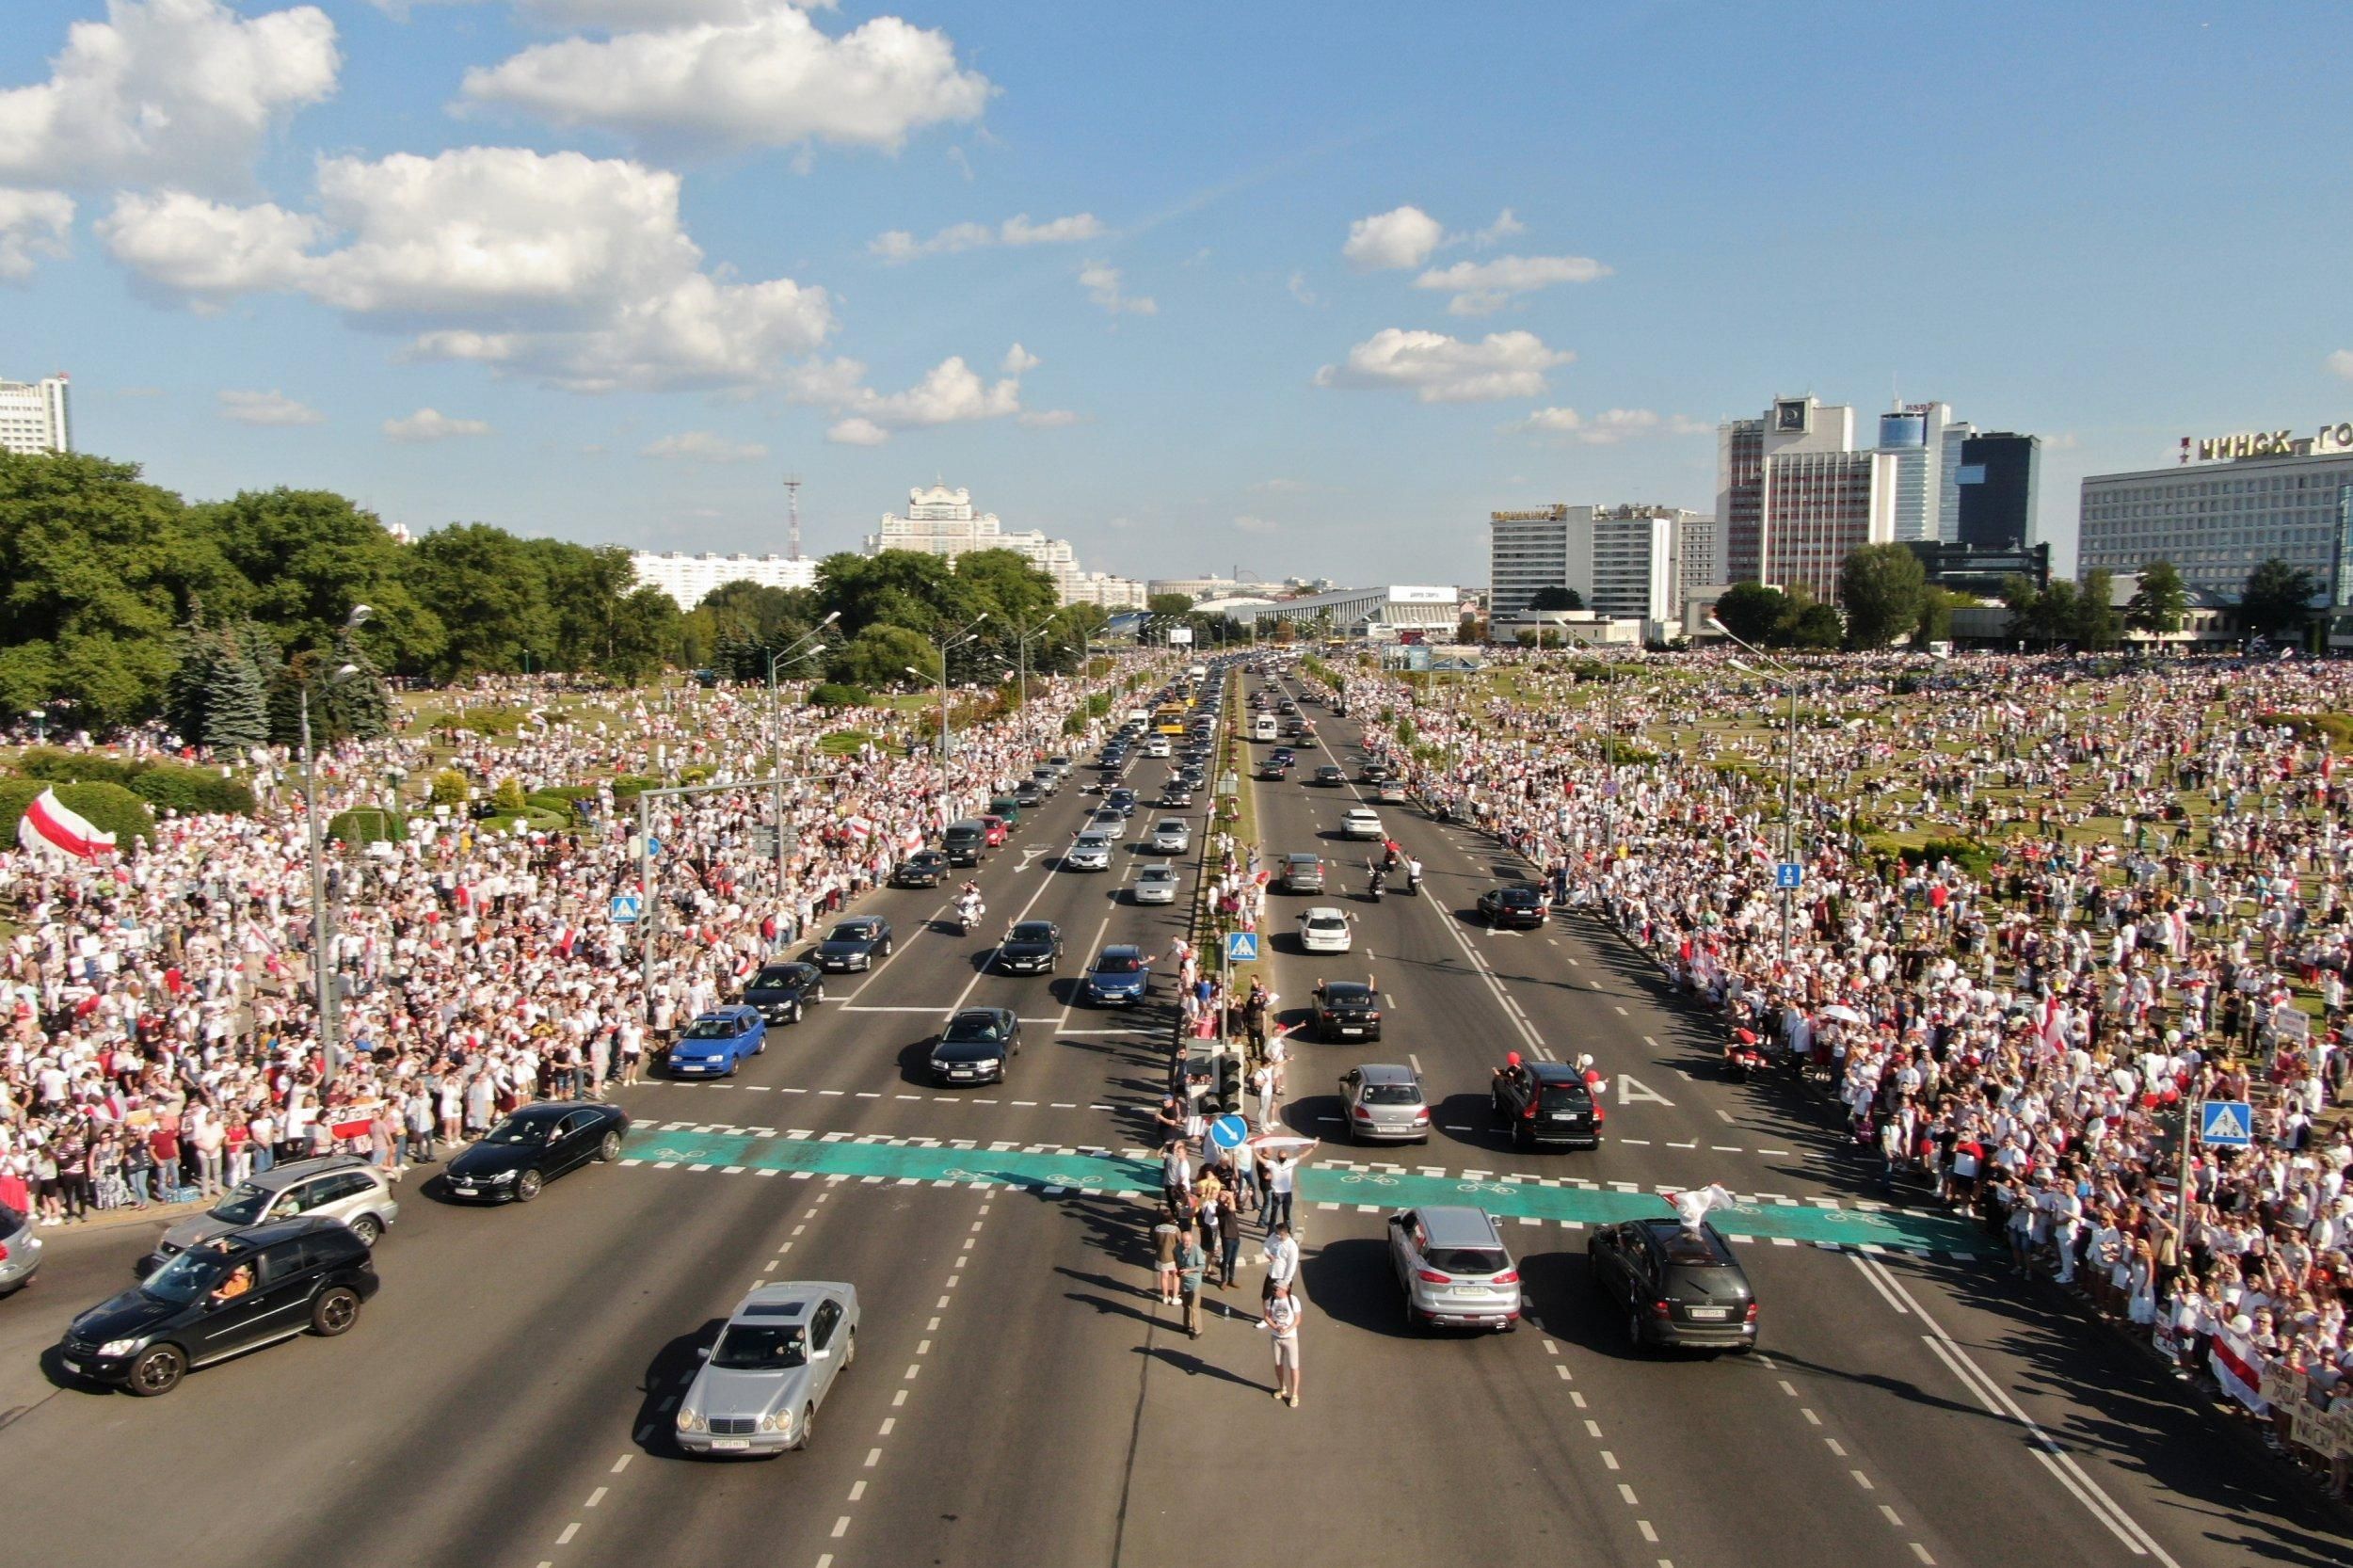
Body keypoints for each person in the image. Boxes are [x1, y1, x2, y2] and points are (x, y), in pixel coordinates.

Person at [1261, 1282, 1302, 1408]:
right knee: (1278, 1364)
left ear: (1285, 1289)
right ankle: (1282, 1387)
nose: (1273, 1291)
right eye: (1273, 1288)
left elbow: (1298, 1319)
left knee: (1294, 1366)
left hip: (1291, 1338)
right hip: (1276, 1337)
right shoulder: (1271, 1300)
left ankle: (1294, 1394)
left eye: (1276, 1289)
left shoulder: (1293, 1300)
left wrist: (1288, 1329)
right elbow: (1267, 1317)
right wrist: (1275, 1327)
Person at [1176, 1224, 1207, 1338]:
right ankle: (1186, 1325)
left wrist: (1189, 1270)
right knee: (1185, 1305)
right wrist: (1178, 1269)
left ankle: (1197, 1330)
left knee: (1194, 1307)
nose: (1187, 1244)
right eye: (1185, 1242)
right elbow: (1176, 1259)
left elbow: (1201, 1267)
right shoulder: (1178, 1248)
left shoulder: (1196, 1250)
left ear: (1192, 1240)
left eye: (1189, 1241)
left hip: (1194, 1283)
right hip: (1184, 1282)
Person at [1152, 1208, 1182, 1305]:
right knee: (1175, 1275)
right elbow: (1180, 1242)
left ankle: (1165, 1297)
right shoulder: (1175, 1229)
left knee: (1164, 1276)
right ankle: (1175, 1297)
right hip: (1173, 1256)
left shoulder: (1157, 1228)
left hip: (1161, 1255)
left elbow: (1154, 1243)